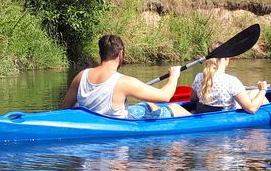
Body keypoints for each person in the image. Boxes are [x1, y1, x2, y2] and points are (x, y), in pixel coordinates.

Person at [62, 34, 191, 119]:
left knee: (148, 105)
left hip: (95, 121)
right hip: (117, 128)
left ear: (100, 53)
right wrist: (174, 76)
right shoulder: (124, 82)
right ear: (121, 54)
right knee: (175, 108)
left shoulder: (81, 76)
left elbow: (64, 109)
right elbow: (165, 96)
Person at [190, 57, 269, 113]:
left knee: (254, 92)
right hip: (224, 116)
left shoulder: (198, 77)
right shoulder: (231, 81)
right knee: (259, 94)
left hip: (203, 112)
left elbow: (193, 99)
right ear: (226, 59)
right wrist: (263, 89)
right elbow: (252, 109)